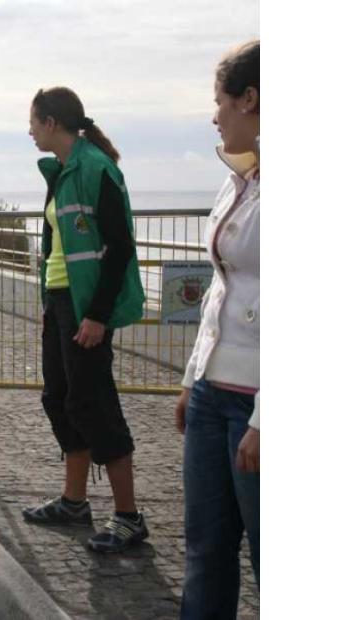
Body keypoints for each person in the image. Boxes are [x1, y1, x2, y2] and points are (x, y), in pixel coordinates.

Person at [20, 87, 149, 554]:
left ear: (51, 122)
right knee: (60, 397)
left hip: (85, 305)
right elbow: (59, 248)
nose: (29, 130)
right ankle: (75, 502)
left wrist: (96, 315)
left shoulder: (96, 169)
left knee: (93, 402)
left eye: (33, 121)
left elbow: (119, 248)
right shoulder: (61, 172)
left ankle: (129, 517)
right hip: (61, 300)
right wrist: (50, 305)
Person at [177, 40, 259, 619]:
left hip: (257, 400)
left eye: (219, 101)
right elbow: (220, 290)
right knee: (206, 551)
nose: (214, 115)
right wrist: (191, 379)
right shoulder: (241, 180)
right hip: (213, 394)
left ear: (250, 99)